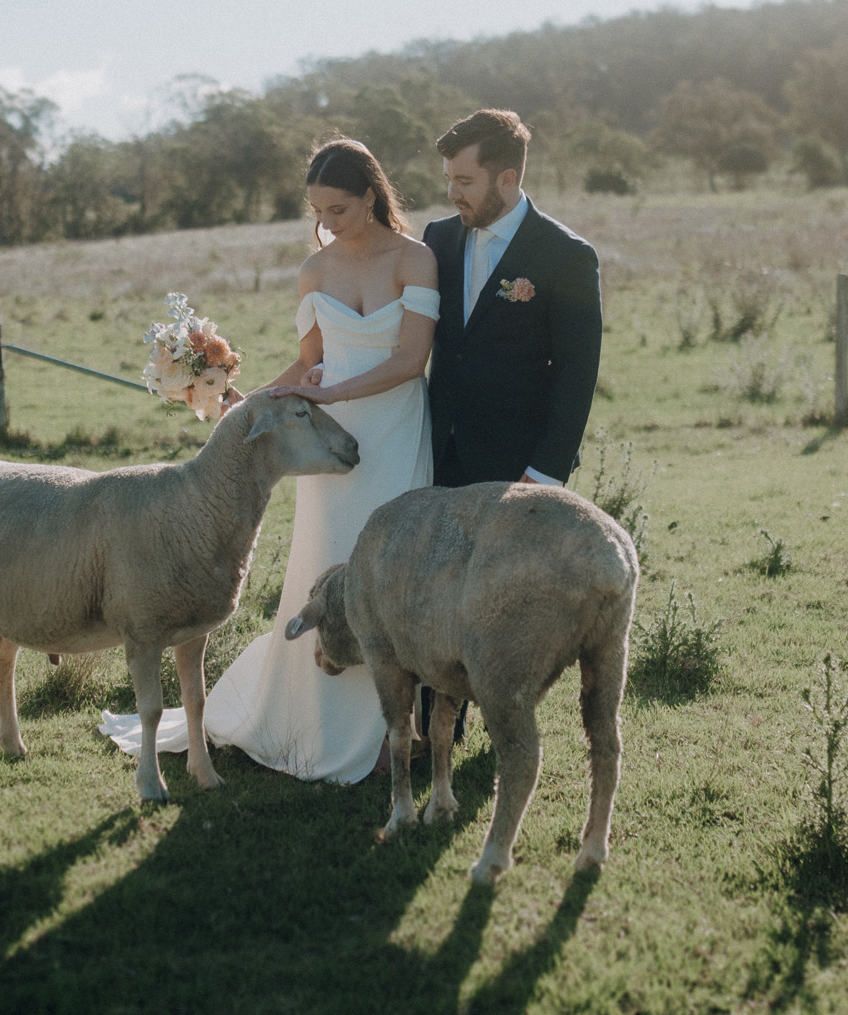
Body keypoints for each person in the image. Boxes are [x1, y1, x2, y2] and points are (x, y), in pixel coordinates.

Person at [99, 137, 436, 784]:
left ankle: (396, 732)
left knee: (395, 572)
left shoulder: (415, 259)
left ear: (370, 195)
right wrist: (246, 405)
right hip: (323, 445)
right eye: (317, 211)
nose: (327, 224)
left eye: (338, 209)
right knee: (326, 565)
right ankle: (315, 717)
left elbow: (410, 359)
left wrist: (332, 390)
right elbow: (308, 362)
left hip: (395, 429)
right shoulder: (316, 271)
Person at [418, 109, 605, 738]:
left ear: (505, 179)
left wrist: (545, 472)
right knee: (433, 588)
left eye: (464, 180)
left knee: (496, 602)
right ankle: (429, 728)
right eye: (448, 178)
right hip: (435, 448)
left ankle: (492, 718)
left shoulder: (565, 255)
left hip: (514, 461)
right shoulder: (438, 240)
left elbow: (579, 374)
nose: (452, 192)